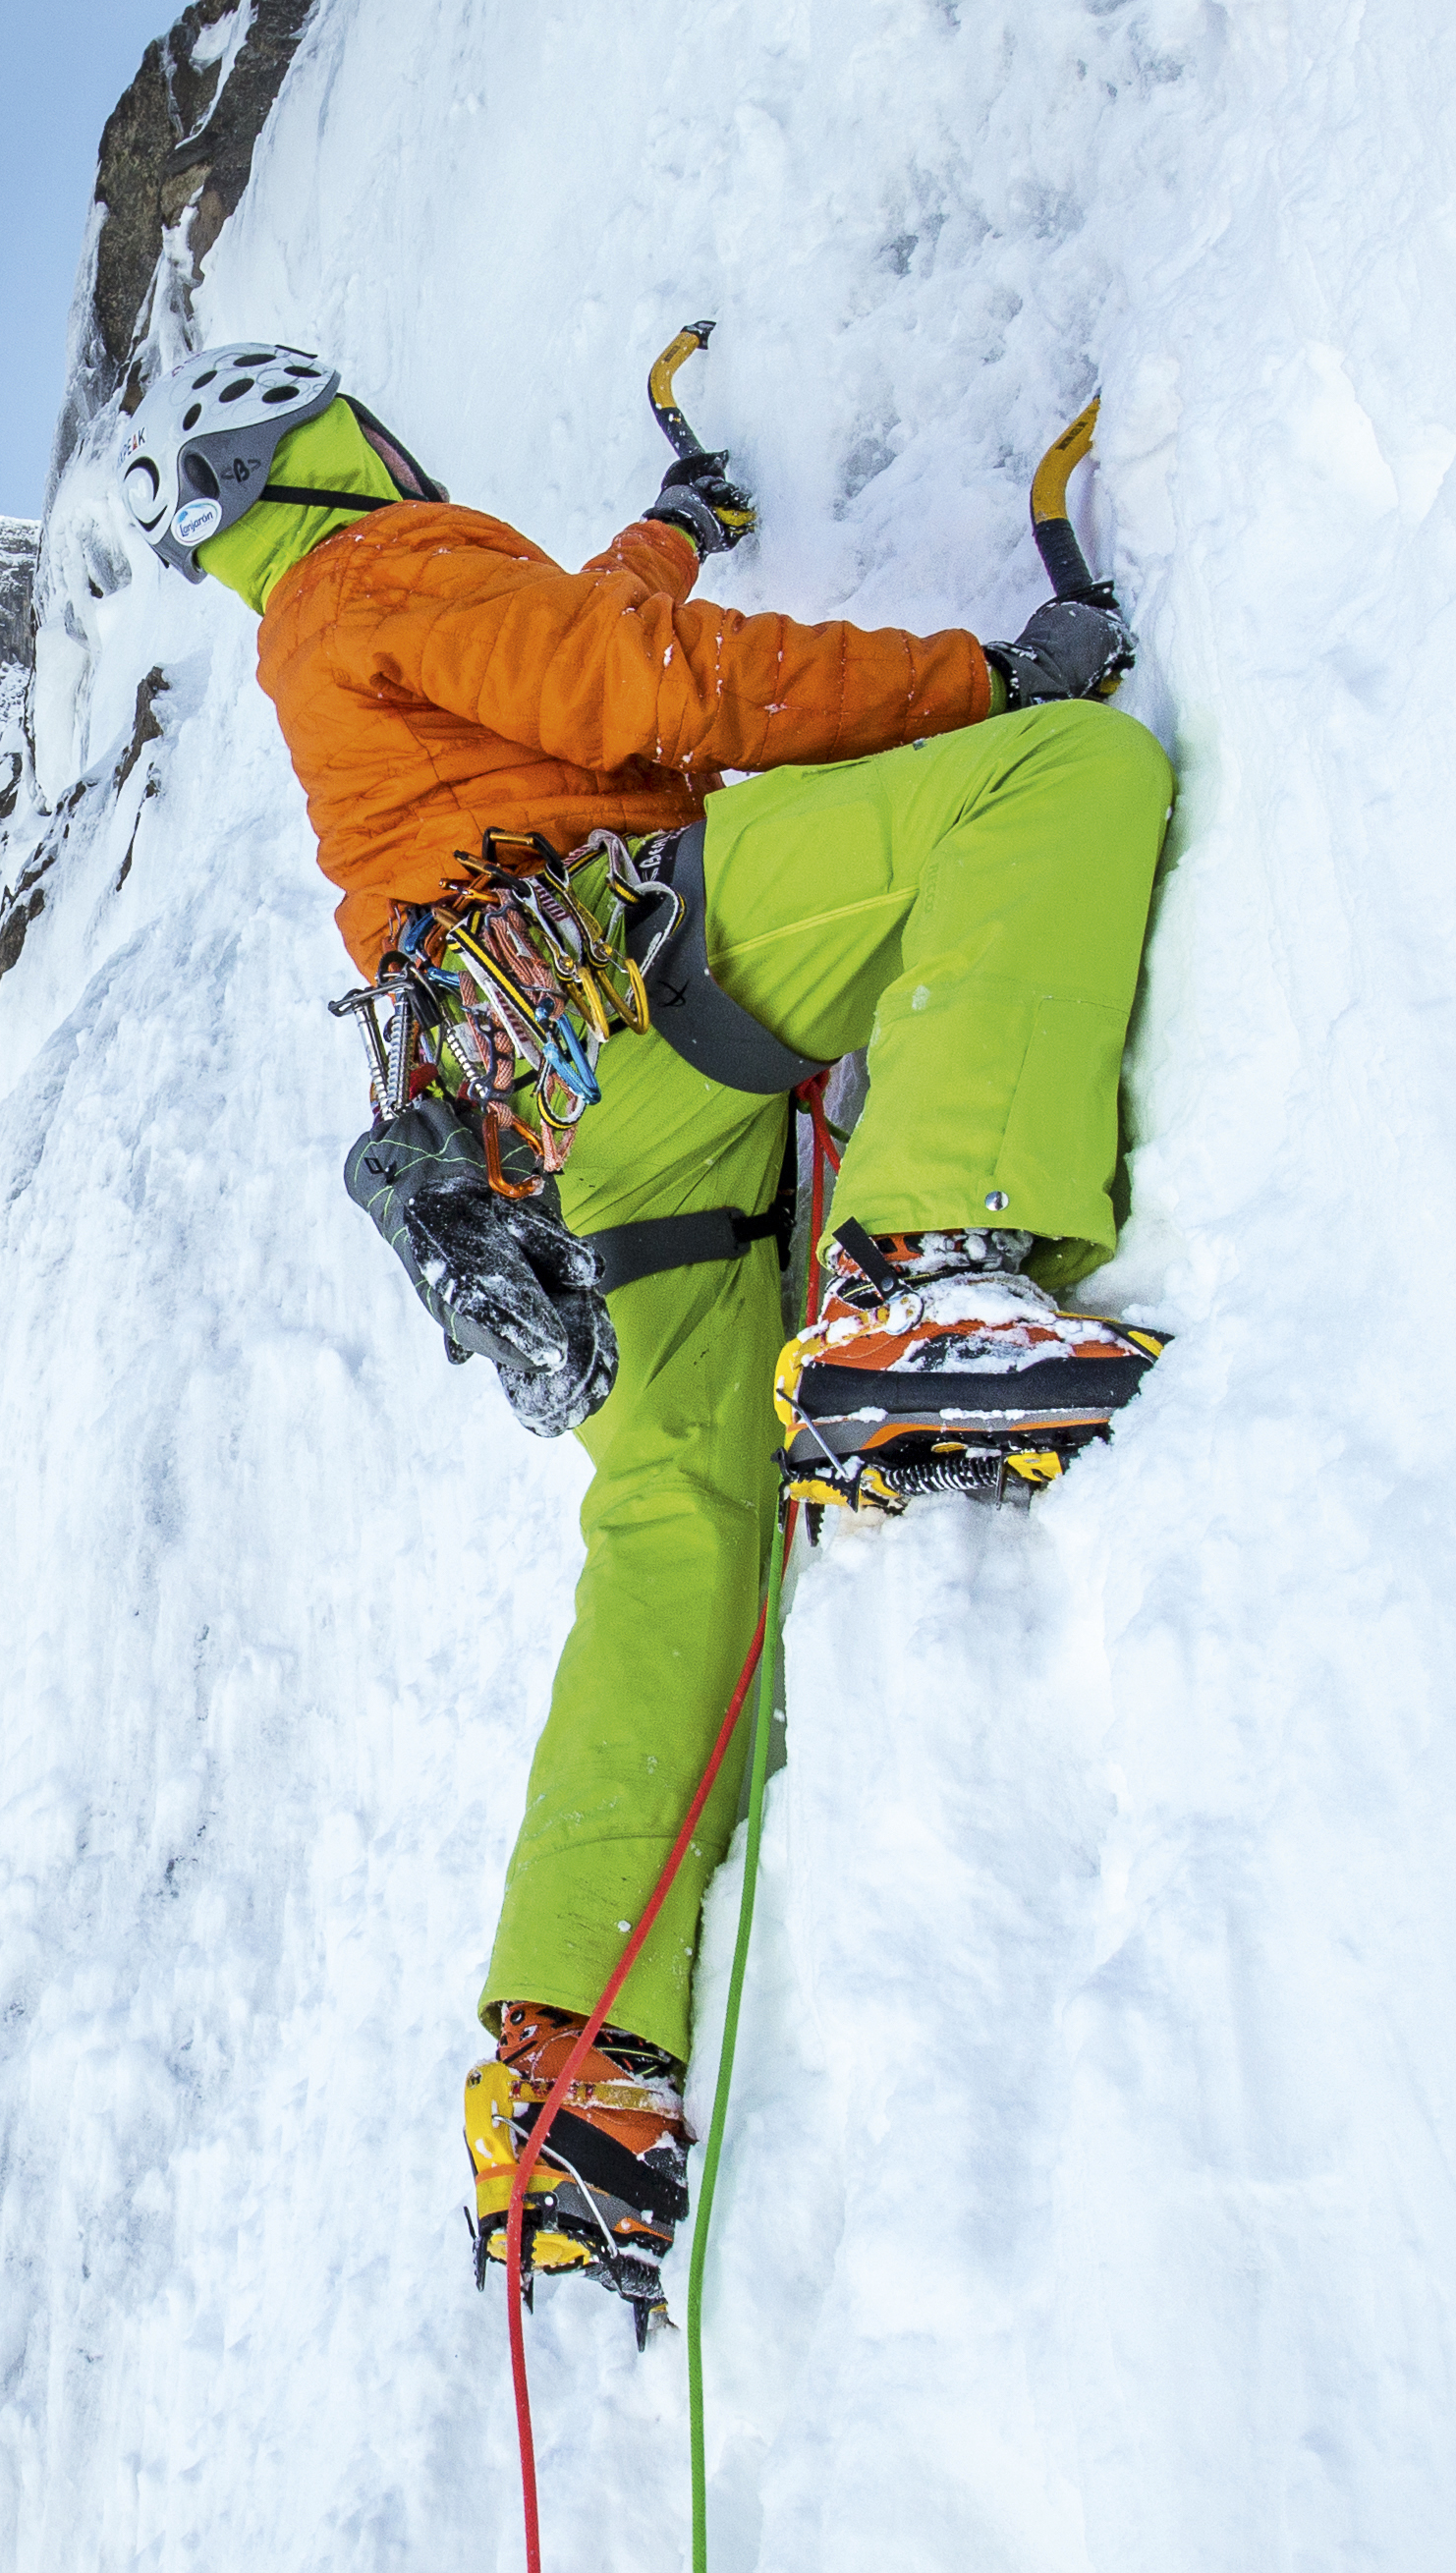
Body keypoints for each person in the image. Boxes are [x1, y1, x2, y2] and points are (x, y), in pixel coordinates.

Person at [122, 341, 1175, 2319]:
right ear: (320, 447)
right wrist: (981, 678)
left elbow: (569, 638)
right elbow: (637, 689)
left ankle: (573, 2077)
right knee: (1055, 783)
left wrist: (667, 533)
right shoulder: (382, 569)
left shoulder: (333, 623)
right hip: (638, 969)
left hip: (553, 1135)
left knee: (676, 1516)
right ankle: (922, 1267)